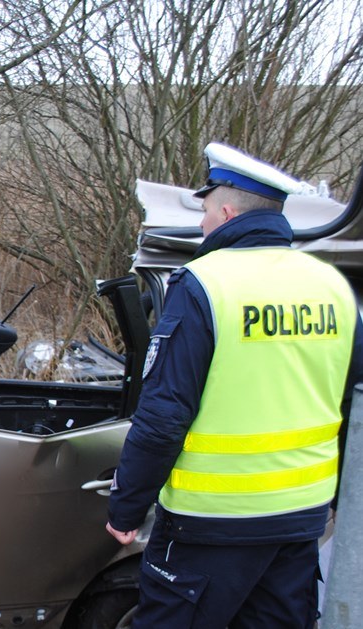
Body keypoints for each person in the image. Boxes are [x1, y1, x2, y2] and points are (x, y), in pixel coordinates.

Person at [105, 142, 363, 628]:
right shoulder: (331, 286)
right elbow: (356, 402)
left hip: (210, 524)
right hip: (301, 518)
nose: (202, 224)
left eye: (204, 212)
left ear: (225, 212)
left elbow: (163, 418)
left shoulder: (203, 283)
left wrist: (127, 507)